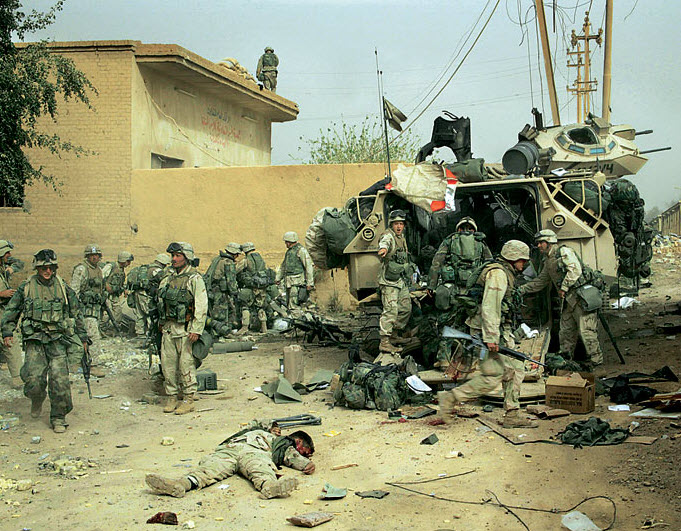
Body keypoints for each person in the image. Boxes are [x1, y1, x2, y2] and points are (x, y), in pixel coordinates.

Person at [437, 240, 538, 429]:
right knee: (502, 373)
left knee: (506, 371)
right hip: (488, 331)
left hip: (491, 330)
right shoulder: (498, 274)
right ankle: (509, 414)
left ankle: (510, 412)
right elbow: (490, 307)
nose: (524, 264)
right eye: (522, 260)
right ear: (513, 258)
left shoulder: (501, 271)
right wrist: (491, 337)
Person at [1, 249, 88, 433]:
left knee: (59, 380)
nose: (48, 271)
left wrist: (82, 337)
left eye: (51, 268)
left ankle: (58, 417)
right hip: (35, 340)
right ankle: (37, 398)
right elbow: (12, 311)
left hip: (58, 340)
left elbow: (76, 312)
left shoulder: (62, 287)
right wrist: (7, 331)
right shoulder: (26, 287)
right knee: (33, 379)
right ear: (37, 268)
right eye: (44, 268)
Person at [145, 419, 315, 499]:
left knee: (259, 468)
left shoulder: (267, 437)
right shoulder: (282, 441)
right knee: (210, 469)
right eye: (304, 451)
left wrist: (306, 463)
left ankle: (270, 487)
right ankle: (180, 485)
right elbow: (290, 454)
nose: (303, 454)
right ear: (298, 441)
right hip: (238, 450)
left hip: (241, 450)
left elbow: (290, 455)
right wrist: (306, 464)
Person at [518, 229, 604, 367]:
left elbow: (575, 270)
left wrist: (563, 287)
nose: (538, 246)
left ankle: (596, 362)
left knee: (586, 331)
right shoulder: (549, 261)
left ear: (549, 242)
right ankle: (566, 359)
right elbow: (542, 281)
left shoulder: (564, 252)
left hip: (581, 297)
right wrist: (522, 289)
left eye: (541, 242)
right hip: (569, 300)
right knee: (566, 331)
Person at [427, 217, 492, 369]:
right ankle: (473, 360)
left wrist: (431, 286)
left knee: (448, 324)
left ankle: (444, 359)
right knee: (473, 325)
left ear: (458, 228)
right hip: (473, 292)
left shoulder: (450, 241)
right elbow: (490, 263)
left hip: (453, 291)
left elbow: (436, 263)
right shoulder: (480, 242)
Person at [155, 242, 207, 415]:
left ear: (187, 257)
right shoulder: (168, 278)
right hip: (168, 328)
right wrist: (161, 322)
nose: (174, 259)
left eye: (178, 256)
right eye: (173, 256)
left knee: (186, 365)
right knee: (168, 365)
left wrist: (196, 329)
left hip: (185, 329)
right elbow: (161, 301)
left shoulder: (194, 279)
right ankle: (171, 397)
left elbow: (201, 305)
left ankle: (188, 399)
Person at [376, 210, 414, 356]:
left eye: (401, 224)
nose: (399, 226)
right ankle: (385, 342)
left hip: (400, 279)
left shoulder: (401, 238)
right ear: (391, 224)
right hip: (389, 281)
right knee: (390, 310)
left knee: (405, 308)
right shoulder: (388, 236)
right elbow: (384, 243)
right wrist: (383, 249)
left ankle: (394, 334)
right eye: (396, 223)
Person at [70, 244, 106, 377]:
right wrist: (76, 310)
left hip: (95, 309)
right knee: (93, 337)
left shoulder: (99, 270)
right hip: (84, 310)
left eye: (96, 255)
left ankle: (79, 363)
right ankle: (93, 365)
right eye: (91, 255)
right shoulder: (82, 269)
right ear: (87, 256)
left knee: (86, 337)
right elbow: (74, 292)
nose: (94, 257)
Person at [127, 253, 171, 337]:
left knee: (140, 315)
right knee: (150, 314)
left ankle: (139, 333)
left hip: (137, 293)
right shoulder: (157, 271)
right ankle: (149, 334)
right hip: (146, 295)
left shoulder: (145, 268)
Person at [204, 242, 242, 338]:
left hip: (211, 290)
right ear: (234, 253)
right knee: (222, 313)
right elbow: (231, 280)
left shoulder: (217, 259)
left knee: (214, 311)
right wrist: (235, 293)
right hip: (221, 292)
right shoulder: (228, 262)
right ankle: (222, 332)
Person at [0, 240, 24, 389]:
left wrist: (10, 269)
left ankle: (17, 377)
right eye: (6, 252)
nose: (9, 255)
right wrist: (1, 294)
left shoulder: (3, 267)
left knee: (10, 340)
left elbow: (19, 263)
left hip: (3, 312)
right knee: (9, 342)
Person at [237, 242, 272, 334]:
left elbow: (236, 270)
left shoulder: (246, 260)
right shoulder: (261, 259)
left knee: (245, 305)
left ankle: (245, 327)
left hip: (251, 287)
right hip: (262, 287)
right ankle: (264, 327)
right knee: (260, 306)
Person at [276, 232, 314, 310]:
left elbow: (308, 266)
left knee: (294, 305)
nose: (285, 244)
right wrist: (278, 278)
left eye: (286, 242)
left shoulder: (301, 250)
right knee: (289, 304)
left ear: (289, 242)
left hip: (297, 283)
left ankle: (297, 316)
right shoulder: (289, 252)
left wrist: (309, 283)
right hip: (288, 282)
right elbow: (283, 266)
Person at [105, 251, 134, 326]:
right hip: (106, 294)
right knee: (106, 313)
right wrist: (106, 286)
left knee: (118, 312)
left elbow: (120, 283)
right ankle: (103, 328)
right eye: (128, 261)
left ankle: (115, 328)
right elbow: (101, 278)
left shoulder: (121, 270)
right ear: (123, 260)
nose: (129, 264)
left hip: (115, 295)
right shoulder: (111, 267)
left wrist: (124, 290)